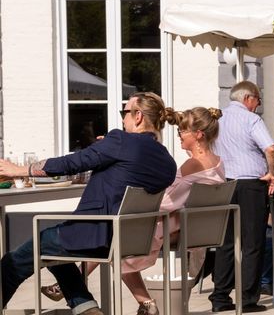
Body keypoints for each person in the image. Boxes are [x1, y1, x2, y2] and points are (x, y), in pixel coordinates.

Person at [0, 92, 178, 315]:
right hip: (126, 239)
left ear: (138, 116)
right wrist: (104, 150)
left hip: (94, 233)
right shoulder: (167, 161)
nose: (122, 119)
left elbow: (72, 162)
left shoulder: (120, 141)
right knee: (58, 258)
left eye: (124, 113)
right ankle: (86, 308)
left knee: (12, 262)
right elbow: (124, 174)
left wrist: (21, 171)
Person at [41, 106, 226, 315]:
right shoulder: (217, 162)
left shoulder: (192, 164)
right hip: (196, 228)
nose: (179, 136)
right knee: (116, 234)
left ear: (198, 135)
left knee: (114, 236)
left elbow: (164, 198)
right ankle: (143, 303)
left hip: (176, 228)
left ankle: (142, 301)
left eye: (182, 131)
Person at [209, 81, 274, 313]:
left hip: (225, 184)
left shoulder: (217, 120)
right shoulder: (251, 120)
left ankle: (220, 297)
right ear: (248, 98)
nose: (258, 105)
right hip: (250, 185)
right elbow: (270, 148)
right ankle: (248, 299)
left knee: (226, 242)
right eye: (258, 100)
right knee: (253, 243)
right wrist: (272, 174)